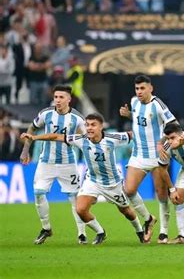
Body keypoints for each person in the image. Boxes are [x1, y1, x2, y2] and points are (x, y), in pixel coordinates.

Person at [21, 113, 145, 245]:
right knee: (80, 209)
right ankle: (100, 232)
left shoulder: (113, 138)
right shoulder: (80, 139)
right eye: (87, 125)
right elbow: (57, 136)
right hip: (92, 181)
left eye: (93, 125)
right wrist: (35, 137)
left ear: (101, 127)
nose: (89, 128)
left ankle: (139, 230)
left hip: (112, 183)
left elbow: (134, 134)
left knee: (126, 211)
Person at [19, 85, 87, 244]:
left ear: (69, 99)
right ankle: (46, 228)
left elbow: (86, 139)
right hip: (46, 162)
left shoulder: (78, 118)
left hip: (68, 163)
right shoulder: (46, 113)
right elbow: (32, 128)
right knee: (38, 193)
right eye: (56, 97)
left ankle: (82, 234)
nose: (57, 100)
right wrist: (25, 149)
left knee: (75, 199)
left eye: (61, 97)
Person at [119, 75, 177, 244]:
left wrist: (163, 142)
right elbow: (140, 120)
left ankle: (164, 232)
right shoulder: (134, 102)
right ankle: (148, 219)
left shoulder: (158, 105)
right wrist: (128, 114)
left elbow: (174, 126)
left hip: (157, 155)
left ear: (150, 88)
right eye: (137, 89)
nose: (139, 92)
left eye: (142, 88)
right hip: (138, 154)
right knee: (129, 190)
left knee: (161, 194)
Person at [156, 122, 184, 244]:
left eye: (173, 137)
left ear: (181, 135)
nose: (169, 141)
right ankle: (182, 236)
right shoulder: (167, 147)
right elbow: (162, 169)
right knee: (176, 199)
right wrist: (172, 189)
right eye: (167, 138)